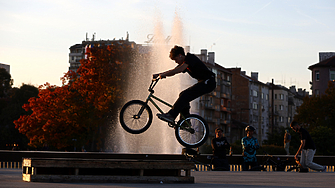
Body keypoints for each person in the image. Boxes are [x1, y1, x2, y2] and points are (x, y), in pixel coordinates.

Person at [153, 45, 216, 123]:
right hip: (203, 82)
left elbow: (180, 69)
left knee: (185, 95)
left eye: (176, 60)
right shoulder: (184, 63)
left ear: (180, 55)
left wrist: (162, 75)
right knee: (183, 95)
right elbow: (173, 71)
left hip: (208, 82)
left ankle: (171, 115)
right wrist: (159, 74)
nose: (176, 62)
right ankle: (185, 121)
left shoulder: (190, 58)